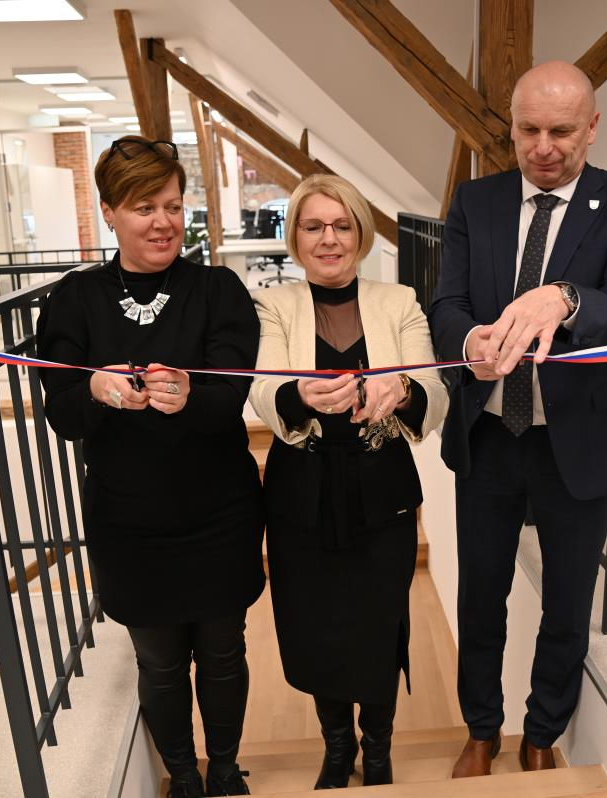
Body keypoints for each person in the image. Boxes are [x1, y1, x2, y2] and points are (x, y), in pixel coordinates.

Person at [429, 61, 607, 776]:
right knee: (482, 594)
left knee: (566, 598)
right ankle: (482, 727)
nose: (544, 146)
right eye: (528, 129)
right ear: (512, 126)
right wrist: (471, 345)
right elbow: (447, 305)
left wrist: (564, 297)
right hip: (491, 433)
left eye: (562, 130)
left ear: (592, 127)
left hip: (581, 441)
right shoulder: (476, 201)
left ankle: (541, 730)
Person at [36, 136, 263, 798]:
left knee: (223, 652)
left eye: (173, 205)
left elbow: (229, 400)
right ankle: (183, 777)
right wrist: (97, 393)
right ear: (109, 211)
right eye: (144, 207)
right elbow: (63, 414)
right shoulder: (74, 301)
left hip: (219, 509)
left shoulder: (218, 290)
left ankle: (224, 770)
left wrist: (192, 395)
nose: (164, 222)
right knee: (160, 661)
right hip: (129, 518)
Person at [249, 174, 448, 789]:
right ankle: (338, 746)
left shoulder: (401, 301)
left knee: (377, 621)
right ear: (295, 236)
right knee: (314, 625)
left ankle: (379, 749)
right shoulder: (273, 304)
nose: (328, 239)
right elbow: (260, 387)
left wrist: (403, 387)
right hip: (299, 496)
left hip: (380, 491)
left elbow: (435, 390)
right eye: (314, 226)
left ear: (360, 234)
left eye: (341, 226)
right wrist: (296, 393)